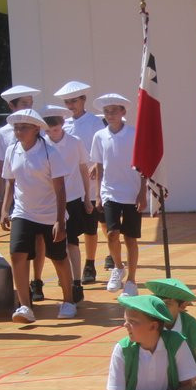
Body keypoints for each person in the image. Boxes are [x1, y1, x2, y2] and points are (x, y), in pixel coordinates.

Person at [0, 109, 76, 323]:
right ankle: (25, 306)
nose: (18, 131)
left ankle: (68, 300)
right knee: (17, 254)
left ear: (36, 129)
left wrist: (60, 221)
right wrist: (6, 208)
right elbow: (10, 181)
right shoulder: (11, 150)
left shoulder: (50, 152)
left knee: (59, 258)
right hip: (23, 212)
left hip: (50, 214)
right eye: (16, 127)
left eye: (23, 127)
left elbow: (60, 189)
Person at [0, 85, 49, 301]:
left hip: (39, 196)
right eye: (24, 103)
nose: (29, 107)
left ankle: (37, 279)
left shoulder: (37, 130)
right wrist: (2, 200)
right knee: (20, 247)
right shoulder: (1, 135)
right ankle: (23, 296)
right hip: (16, 197)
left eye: (30, 103)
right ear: (11, 106)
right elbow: (1, 170)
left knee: (40, 239)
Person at [90, 93, 147, 297]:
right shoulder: (100, 136)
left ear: (123, 112)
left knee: (130, 238)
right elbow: (98, 164)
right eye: (106, 111)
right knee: (112, 234)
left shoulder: (134, 134)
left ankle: (131, 280)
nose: (110, 114)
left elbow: (143, 166)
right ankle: (118, 266)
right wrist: (98, 194)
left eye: (114, 110)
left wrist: (142, 192)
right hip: (110, 192)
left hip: (131, 193)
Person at [55, 80, 108, 282]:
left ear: (83, 99)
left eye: (74, 101)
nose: (70, 105)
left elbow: (100, 147)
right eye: (67, 101)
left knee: (90, 227)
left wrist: (96, 163)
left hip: (91, 183)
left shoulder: (94, 122)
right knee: (71, 230)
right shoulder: (63, 124)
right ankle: (71, 268)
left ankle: (90, 263)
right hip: (69, 184)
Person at [42, 104, 92, 304]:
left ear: (62, 124)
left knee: (72, 241)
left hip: (72, 198)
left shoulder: (75, 142)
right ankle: (62, 281)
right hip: (50, 201)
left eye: (55, 129)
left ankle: (76, 282)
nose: (52, 133)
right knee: (52, 244)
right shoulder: (42, 145)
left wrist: (87, 197)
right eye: (48, 130)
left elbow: (83, 169)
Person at [146, 278, 196, 388]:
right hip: (160, 377)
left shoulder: (188, 322)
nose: (161, 309)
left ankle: (186, 389)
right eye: (158, 304)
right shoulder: (150, 324)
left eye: (167, 304)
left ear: (182, 306)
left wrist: (194, 375)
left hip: (188, 376)